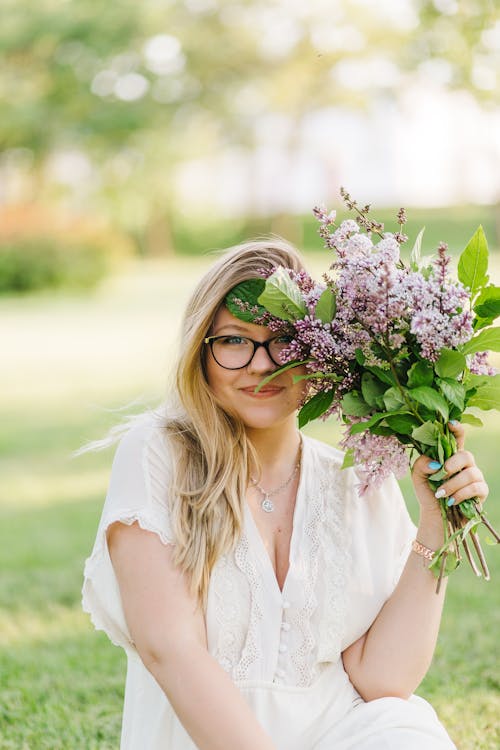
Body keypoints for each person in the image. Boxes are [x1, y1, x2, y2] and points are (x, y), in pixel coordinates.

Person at [82, 239, 488, 750]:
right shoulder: (158, 455)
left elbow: (381, 682)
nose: (261, 365)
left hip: (341, 730)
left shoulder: (356, 479)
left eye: (284, 340)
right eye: (234, 341)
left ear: (321, 356)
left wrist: (435, 525)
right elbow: (171, 650)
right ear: (201, 353)